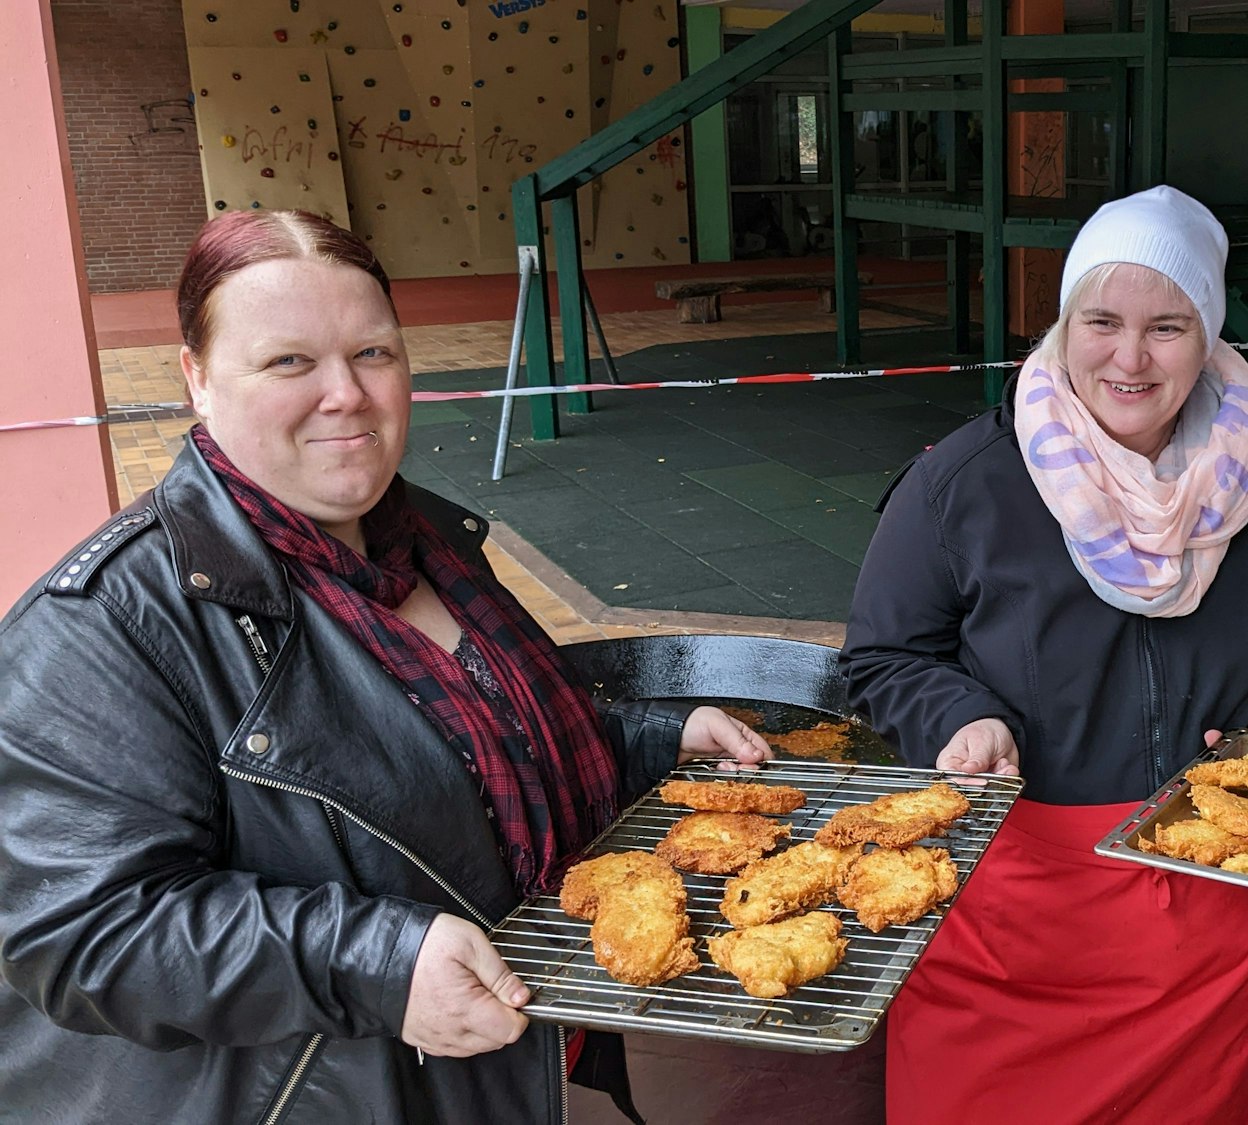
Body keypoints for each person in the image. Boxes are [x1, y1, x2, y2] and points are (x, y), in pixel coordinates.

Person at [0, 210, 770, 1123]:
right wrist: (378, 964)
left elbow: (473, 749)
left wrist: (653, 742)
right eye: (289, 361)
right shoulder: (105, 623)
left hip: (512, 1069)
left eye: (373, 353)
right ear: (197, 379)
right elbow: (83, 933)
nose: (347, 394)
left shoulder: (427, 540)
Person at [839, 185, 1248, 1123]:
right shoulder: (964, 481)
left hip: (1224, 905)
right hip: (1017, 910)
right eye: (1103, 321)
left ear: (1209, 332)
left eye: (1167, 327)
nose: (1130, 357)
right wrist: (963, 715)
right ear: (1064, 322)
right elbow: (882, 655)